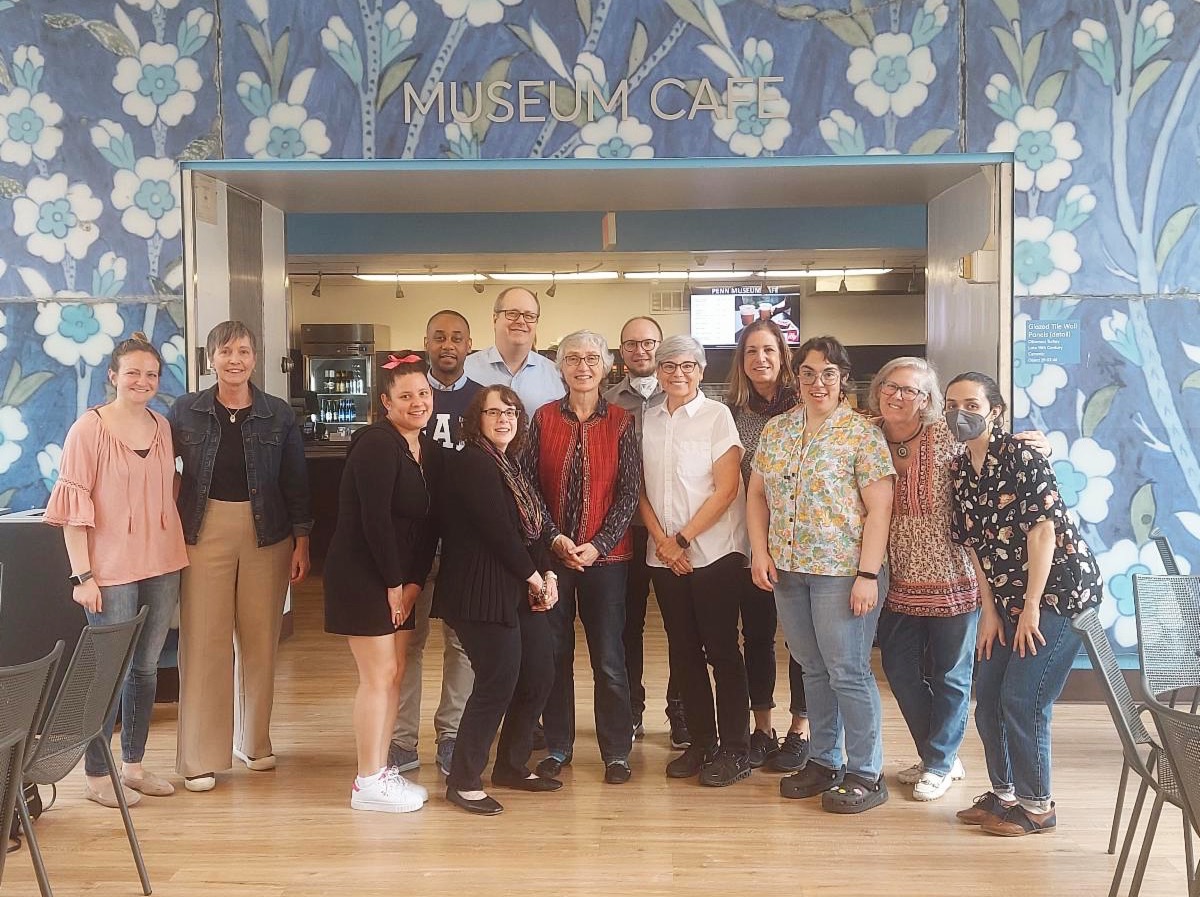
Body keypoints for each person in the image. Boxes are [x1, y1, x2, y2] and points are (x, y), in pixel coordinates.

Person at [947, 371, 1102, 836]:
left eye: (972, 404)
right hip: (1006, 599)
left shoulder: (1023, 456)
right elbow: (973, 544)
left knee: (1024, 697)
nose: (961, 413)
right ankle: (1004, 794)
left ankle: (1038, 807)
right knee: (989, 695)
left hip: (1057, 593)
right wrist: (990, 611)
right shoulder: (959, 470)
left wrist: (1032, 605)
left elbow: (1043, 531)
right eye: (953, 403)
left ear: (995, 411)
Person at [747, 335, 894, 814]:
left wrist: (868, 574)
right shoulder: (777, 431)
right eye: (808, 373)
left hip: (842, 573)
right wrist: (760, 552)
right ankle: (825, 760)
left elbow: (880, 509)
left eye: (828, 373)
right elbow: (756, 496)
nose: (817, 382)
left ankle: (865, 772)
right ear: (798, 377)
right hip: (789, 571)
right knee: (812, 668)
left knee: (847, 671)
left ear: (843, 378)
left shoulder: (861, 435)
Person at [46, 333, 188, 808]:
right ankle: (96, 772)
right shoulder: (88, 430)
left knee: (146, 668)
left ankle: (133, 766)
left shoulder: (162, 426)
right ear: (113, 376)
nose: (142, 381)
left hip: (164, 561)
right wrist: (81, 576)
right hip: (109, 569)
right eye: (133, 373)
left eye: (151, 374)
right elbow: (71, 508)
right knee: (110, 669)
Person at [170, 321, 313, 793]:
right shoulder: (184, 411)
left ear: (256, 358)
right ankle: (200, 757)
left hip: (266, 533)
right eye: (225, 351)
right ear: (209, 358)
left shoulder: (276, 413)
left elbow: (296, 480)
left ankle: (255, 741)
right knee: (204, 641)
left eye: (244, 351)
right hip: (201, 530)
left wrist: (302, 540)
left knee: (260, 640)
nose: (235, 359)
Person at [432, 386, 560, 815]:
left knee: (539, 671)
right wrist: (534, 578)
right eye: (494, 412)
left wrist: (548, 573)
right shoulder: (473, 463)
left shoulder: (512, 465)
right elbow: (498, 534)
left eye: (511, 411)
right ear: (477, 418)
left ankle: (511, 765)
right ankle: (464, 780)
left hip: (517, 586)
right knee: (496, 681)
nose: (504, 418)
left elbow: (535, 529)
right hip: (479, 591)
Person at [324, 355, 439, 813]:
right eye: (406, 396)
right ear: (385, 402)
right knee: (376, 677)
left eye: (424, 394)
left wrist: (412, 583)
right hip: (364, 574)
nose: (418, 403)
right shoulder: (375, 443)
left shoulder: (421, 446)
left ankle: (381, 770)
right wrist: (394, 583)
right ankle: (367, 779)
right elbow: (374, 521)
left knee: (394, 674)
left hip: (397, 578)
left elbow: (423, 524)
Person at [525, 330, 640, 785]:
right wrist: (555, 539)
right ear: (560, 366)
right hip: (554, 558)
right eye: (573, 358)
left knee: (609, 658)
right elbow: (528, 487)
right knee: (555, 654)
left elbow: (630, 493)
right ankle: (558, 746)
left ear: (607, 366)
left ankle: (616, 753)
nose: (583, 366)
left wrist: (598, 545)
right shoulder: (541, 418)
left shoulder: (623, 422)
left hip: (608, 562)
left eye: (592, 358)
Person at [640, 335, 752, 787]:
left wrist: (683, 539)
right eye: (668, 365)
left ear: (702, 371)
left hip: (714, 555)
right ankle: (701, 742)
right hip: (664, 557)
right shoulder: (646, 420)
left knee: (723, 653)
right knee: (683, 653)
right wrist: (664, 544)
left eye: (688, 365)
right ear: (657, 371)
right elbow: (640, 490)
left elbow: (726, 489)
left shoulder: (716, 417)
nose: (678, 373)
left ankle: (735, 750)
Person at [868, 357, 979, 802]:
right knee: (899, 671)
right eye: (890, 386)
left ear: (928, 400)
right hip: (895, 583)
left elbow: (999, 448)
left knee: (951, 674)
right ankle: (941, 755)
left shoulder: (949, 435)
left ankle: (937, 761)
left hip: (954, 578)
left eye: (910, 390)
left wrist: (1040, 443)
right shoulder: (866, 436)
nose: (897, 396)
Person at [388, 311, 480, 778]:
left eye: (457, 338)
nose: (448, 344)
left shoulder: (481, 399)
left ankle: (452, 735)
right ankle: (402, 740)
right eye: (439, 336)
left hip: (464, 541)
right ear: (425, 341)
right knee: (408, 642)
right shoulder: (408, 396)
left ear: (470, 345)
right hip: (412, 542)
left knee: (462, 644)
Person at [725, 320, 810, 772]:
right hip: (751, 540)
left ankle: (801, 729)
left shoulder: (806, 406)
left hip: (801, 543)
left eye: (769, 351)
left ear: (783, 357)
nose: (761, 359)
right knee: (756, 637)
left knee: (800, 642)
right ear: (742, 361)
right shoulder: (732, 412)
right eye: (752, 351)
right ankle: (762, 727)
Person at [604, 316, 690, 749]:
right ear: (621, 351)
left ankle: (680, 710)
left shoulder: (678, 392)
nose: (641, 350)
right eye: (631, 344)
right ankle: (630, 710)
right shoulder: (607, 401)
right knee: (626, 626)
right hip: (624, 531)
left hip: (674, 533)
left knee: (679, 625)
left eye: (649, 343)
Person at [463, 286, 565, 412]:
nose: (521, 321)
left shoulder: (557, 375)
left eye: (529, 316)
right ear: (495, 319)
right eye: (512, 314)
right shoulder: (465, 370)